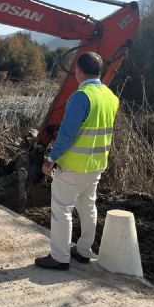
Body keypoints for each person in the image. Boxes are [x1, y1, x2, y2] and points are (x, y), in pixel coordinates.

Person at [35, 52, 119, 270]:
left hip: (74, 166)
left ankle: (60, 257)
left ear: (79, 70)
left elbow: (67, 134)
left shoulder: (81, 96)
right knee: (88, 206)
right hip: (97, 164)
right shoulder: (110, 96)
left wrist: (51, 159)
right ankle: (83, 251)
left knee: (62, 209)